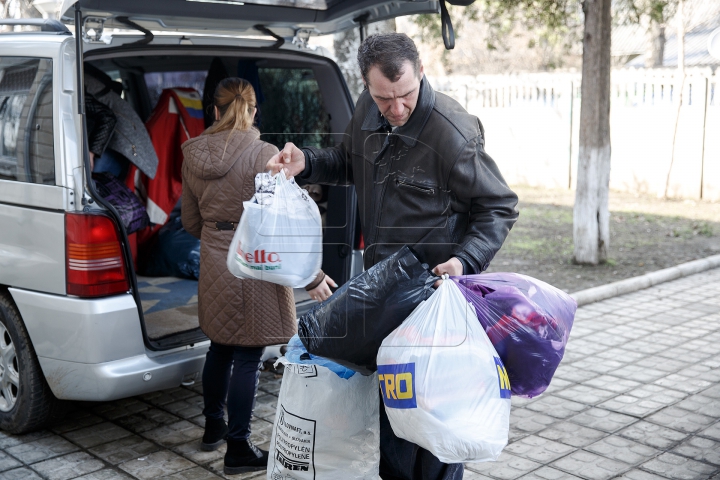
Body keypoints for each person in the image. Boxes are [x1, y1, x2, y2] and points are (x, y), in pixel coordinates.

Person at [267, 33, 519, 480]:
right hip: (383, 295)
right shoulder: (367, 111)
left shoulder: (452, 133)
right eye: (385, 99)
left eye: (405, 95)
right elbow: (347, 161)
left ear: (421, 72)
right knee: (394, 416)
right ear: (367, 86)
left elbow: (498, 206)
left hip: (433, 300)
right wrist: (305, 161)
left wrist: (464, 261)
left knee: (436, 425)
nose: (396, 108)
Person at [181, 78, 298, 475]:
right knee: (248, 353)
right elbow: (281, 214)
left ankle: (213, 426)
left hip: (215, 255)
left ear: (213, 110)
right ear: (252, 110)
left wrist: (218, 235)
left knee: (219, 345)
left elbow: (190, 220)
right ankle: (238, 450)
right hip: (254, 254)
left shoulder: (192, 153)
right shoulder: (264, 152)